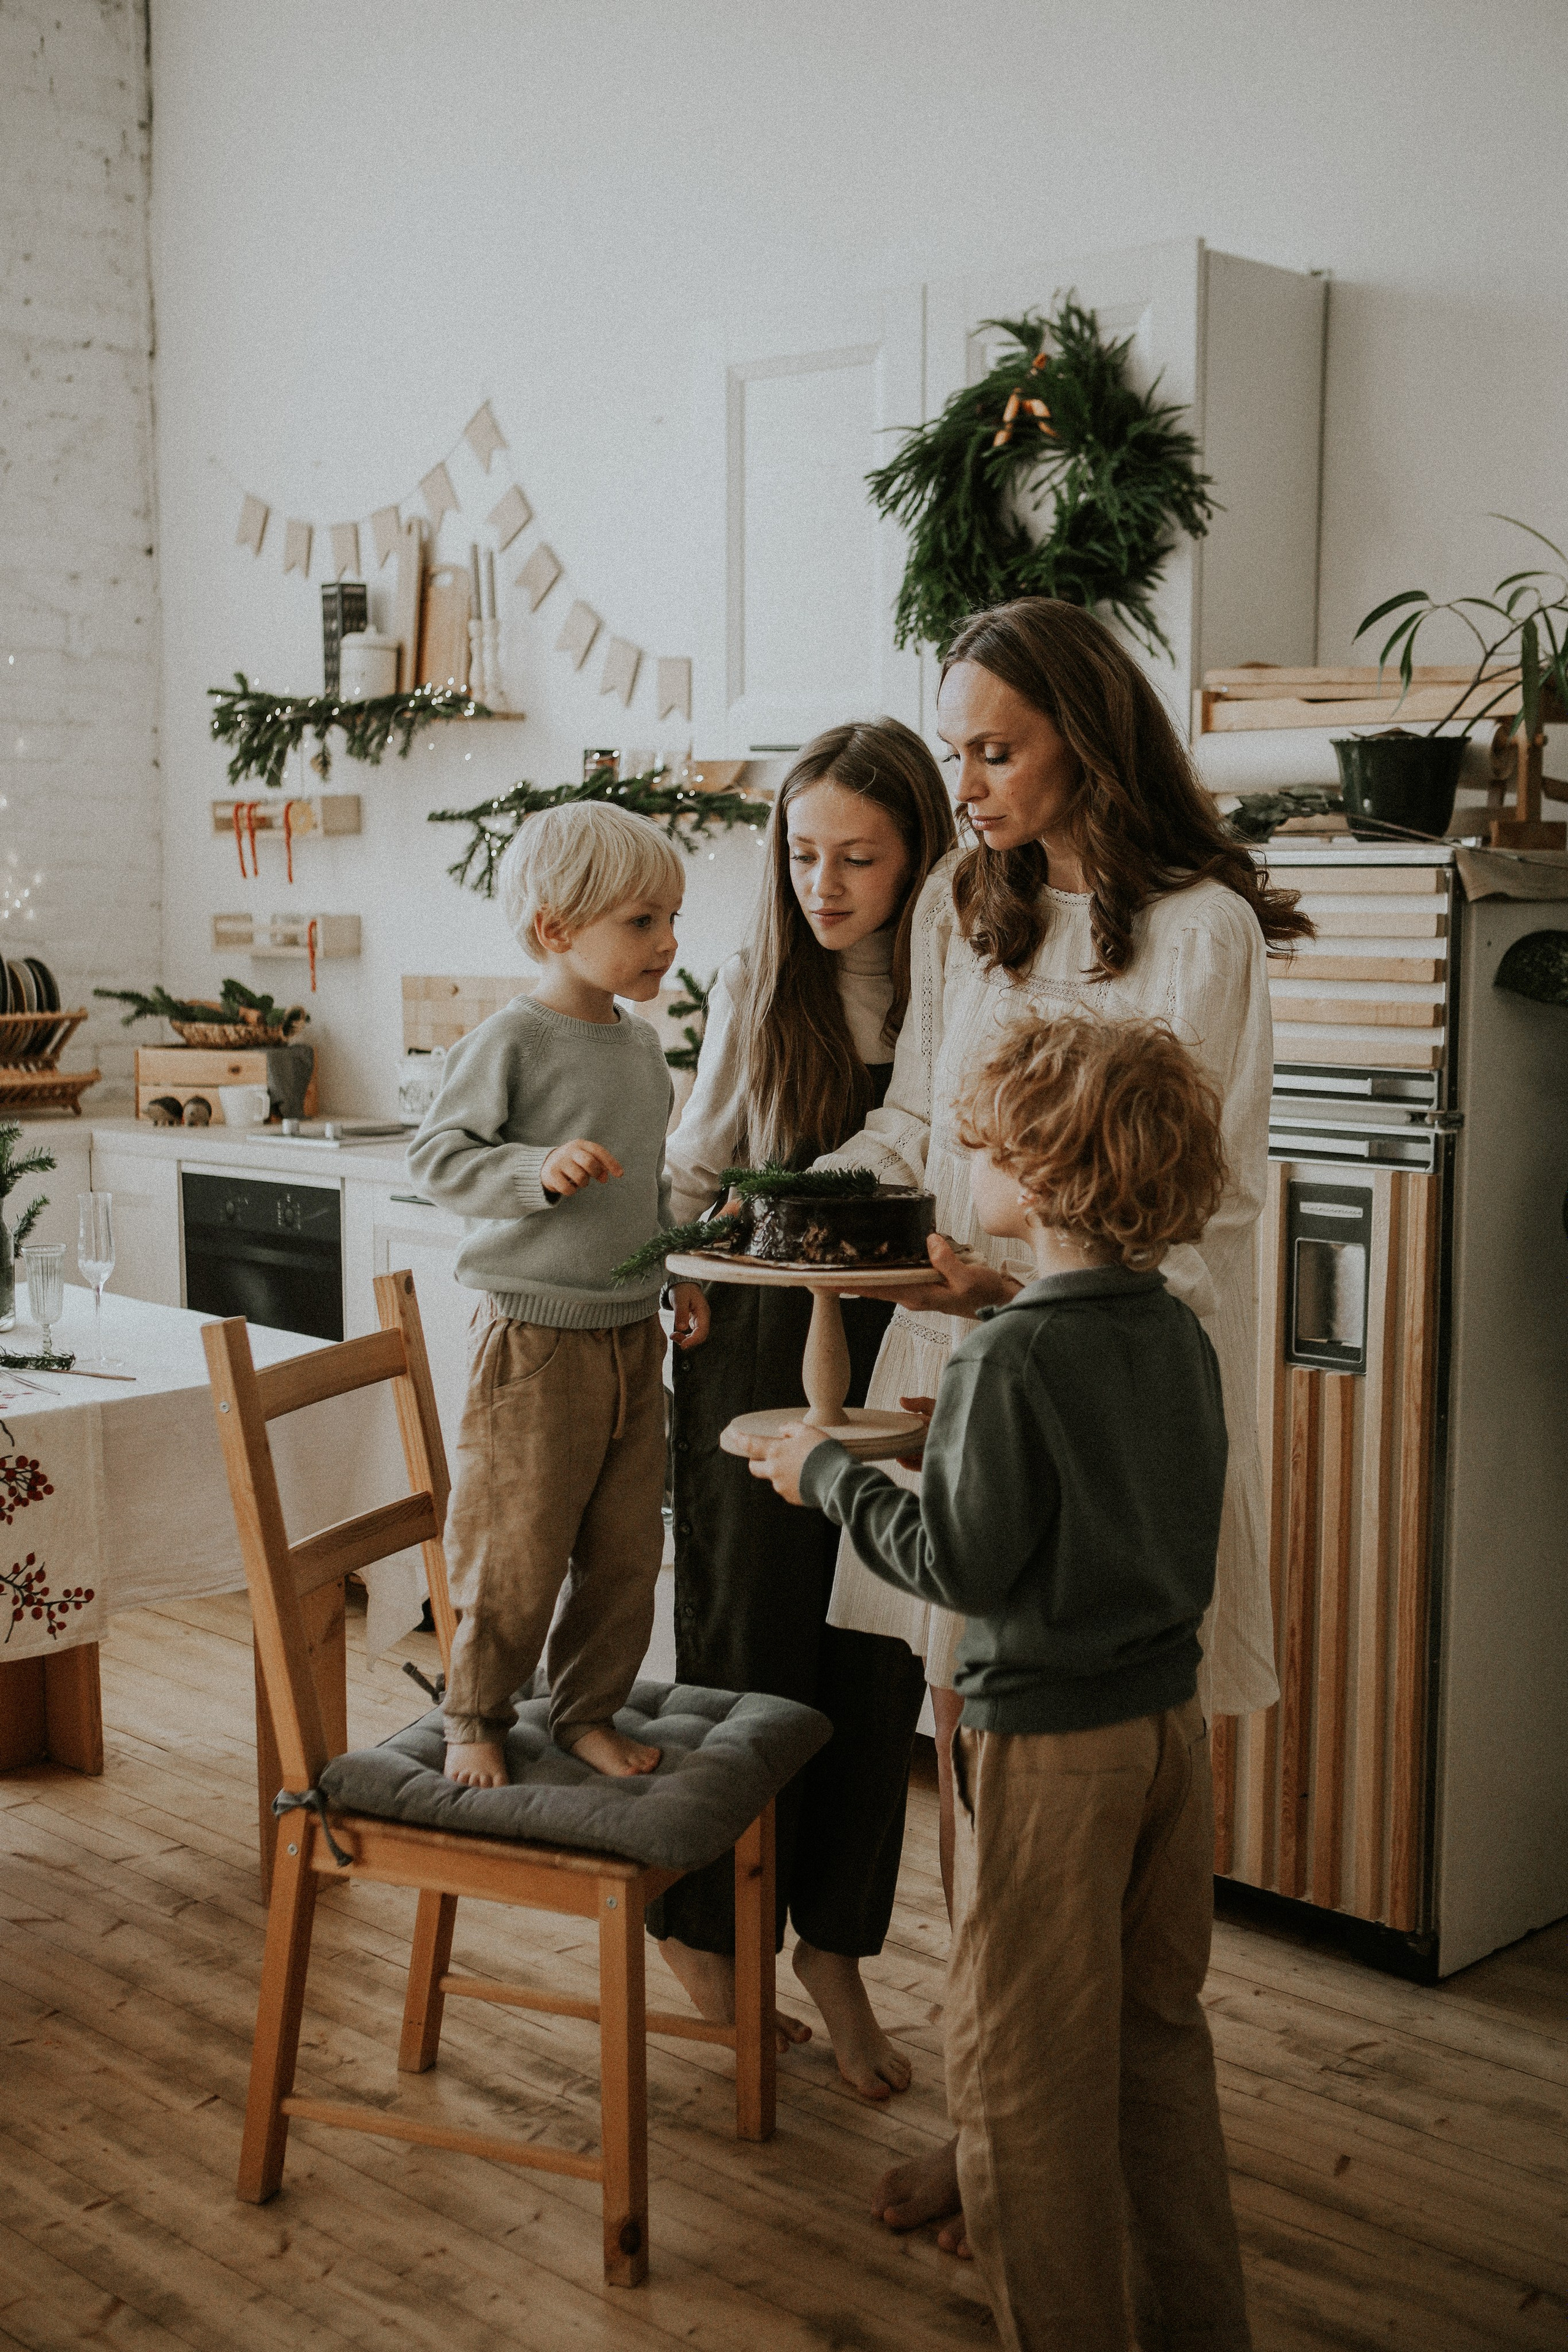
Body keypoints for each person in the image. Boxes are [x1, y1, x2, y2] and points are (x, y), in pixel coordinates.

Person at [745, 1011, 1254, 2352]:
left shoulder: (1008, 1361)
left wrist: (827, 1472)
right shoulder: (1165, 1336)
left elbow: (955, 1558)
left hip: (1050, 1756)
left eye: (981, 1146)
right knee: (1156, 2045)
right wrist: (997, 1301)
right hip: (1165, 1739)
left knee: (1023, 2083)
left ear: (1034, 1176)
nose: (966, 1164)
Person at [818, 598, 1310, 1938]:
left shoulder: (1200, 930)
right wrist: (788, 1215)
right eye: (953, 752)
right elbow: (918, 1123)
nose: (962, 788)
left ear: (1085, 739)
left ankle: (1078, 2091)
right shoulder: (960, 903)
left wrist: (1022, 1290)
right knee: (969, 1728)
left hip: (1111, 1382)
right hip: (957, 1353)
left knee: (1100, 1749)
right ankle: (994, 2090)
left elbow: (1197, 1206)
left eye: (993, 753)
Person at [646, 718, 957, 2100]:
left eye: (858, 857)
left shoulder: (957, 984)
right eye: (801, 853)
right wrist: (665, 1290)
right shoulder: (753, 976)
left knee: (871, 1664)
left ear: (918, 857)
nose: (822, 884)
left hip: (906, 1343)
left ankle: (833, 1951)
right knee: (743, 1649)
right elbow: (692, 1168)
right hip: (760, 1336)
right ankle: (709, 1941)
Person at [407, 802, 710, 1787]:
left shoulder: (642, 1052)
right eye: (640, 921)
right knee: (513, 1548)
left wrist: (680, 1275)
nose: (667, 942)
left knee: (626, 1554)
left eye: (671, 918)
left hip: (632, 1337)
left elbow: (655, 1188)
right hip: (532, 1343)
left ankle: (587, 1710)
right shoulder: (514, 1039)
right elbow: (439, 1159)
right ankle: (475, 1716)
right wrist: (535, 1170)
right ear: (555, 930)